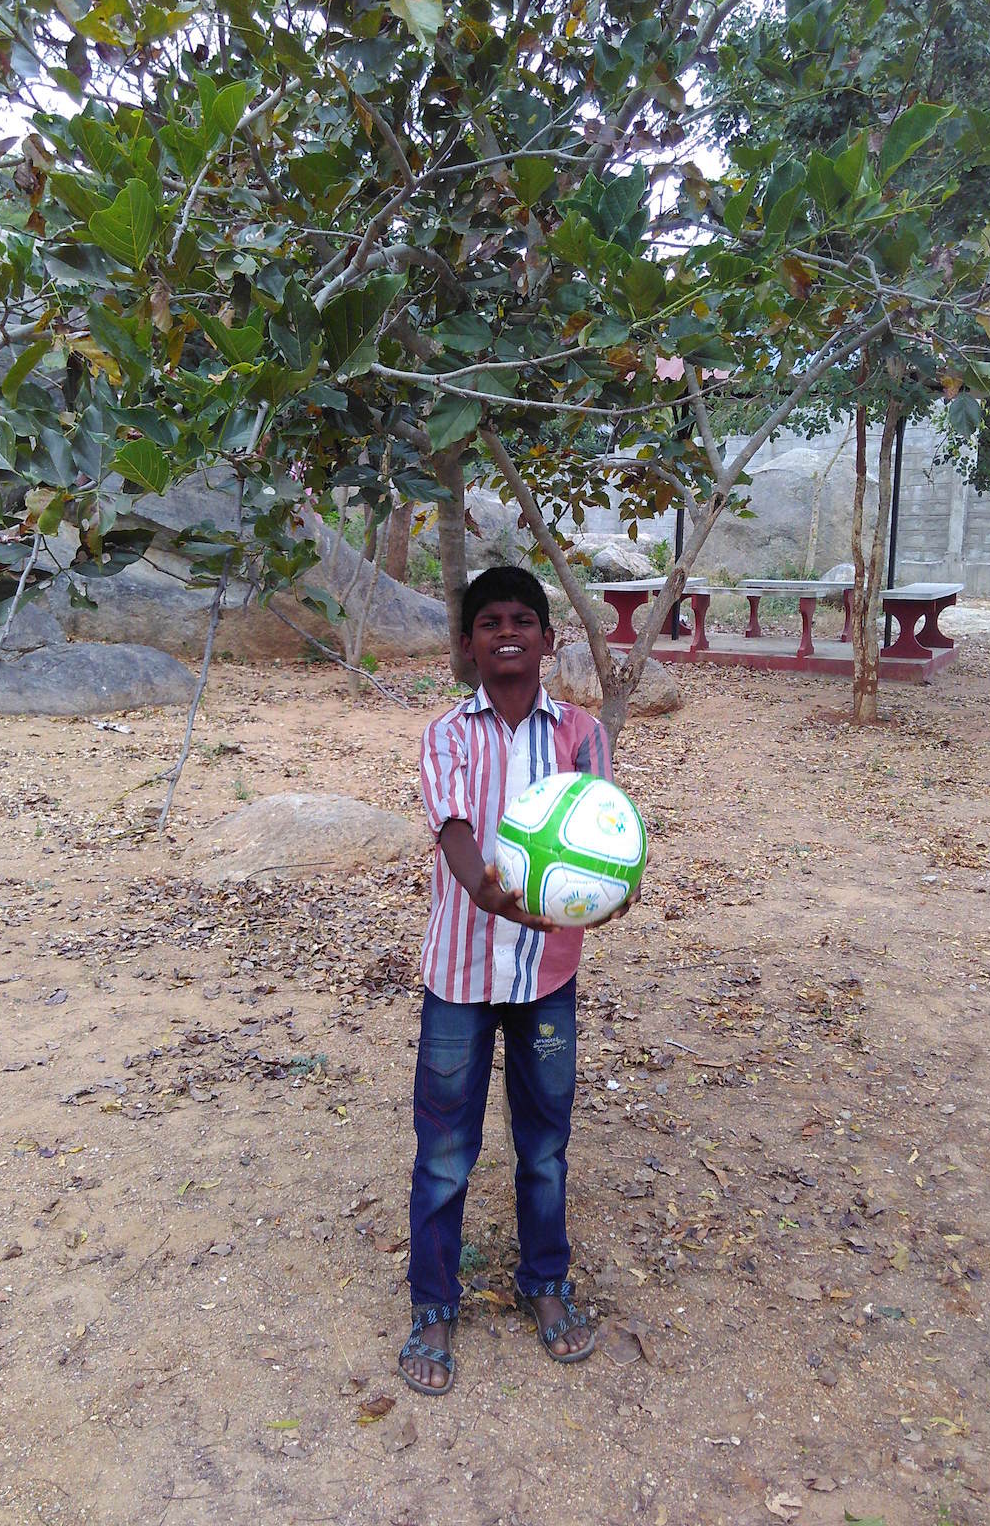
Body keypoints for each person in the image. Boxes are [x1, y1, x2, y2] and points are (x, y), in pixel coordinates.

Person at [399, 565, 636, 1395]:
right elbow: (454, 831)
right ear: (468, 644)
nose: (507, 632)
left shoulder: (581, 734)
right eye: (490, 621)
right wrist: (486, 891)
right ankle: (434, 1304)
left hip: (546, 977)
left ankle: (546, 1283)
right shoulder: (446, 736)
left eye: (523, 620)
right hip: (459, 974)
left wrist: (617, 887)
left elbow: (605, 831)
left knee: (544, 1145)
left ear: (547, 639)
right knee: (444, 1153)